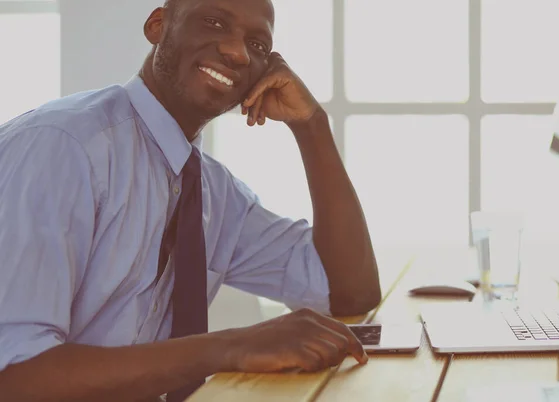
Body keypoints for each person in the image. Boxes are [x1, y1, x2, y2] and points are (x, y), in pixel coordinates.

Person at [0, 0, 381, 400]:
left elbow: (349, 293)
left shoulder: (213, 192)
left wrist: (311, 125)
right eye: (214, 22)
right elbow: (14, 376)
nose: (237, 52)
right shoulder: (64, 147)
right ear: (157, 26)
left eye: (258, 46)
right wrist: (229, 348)